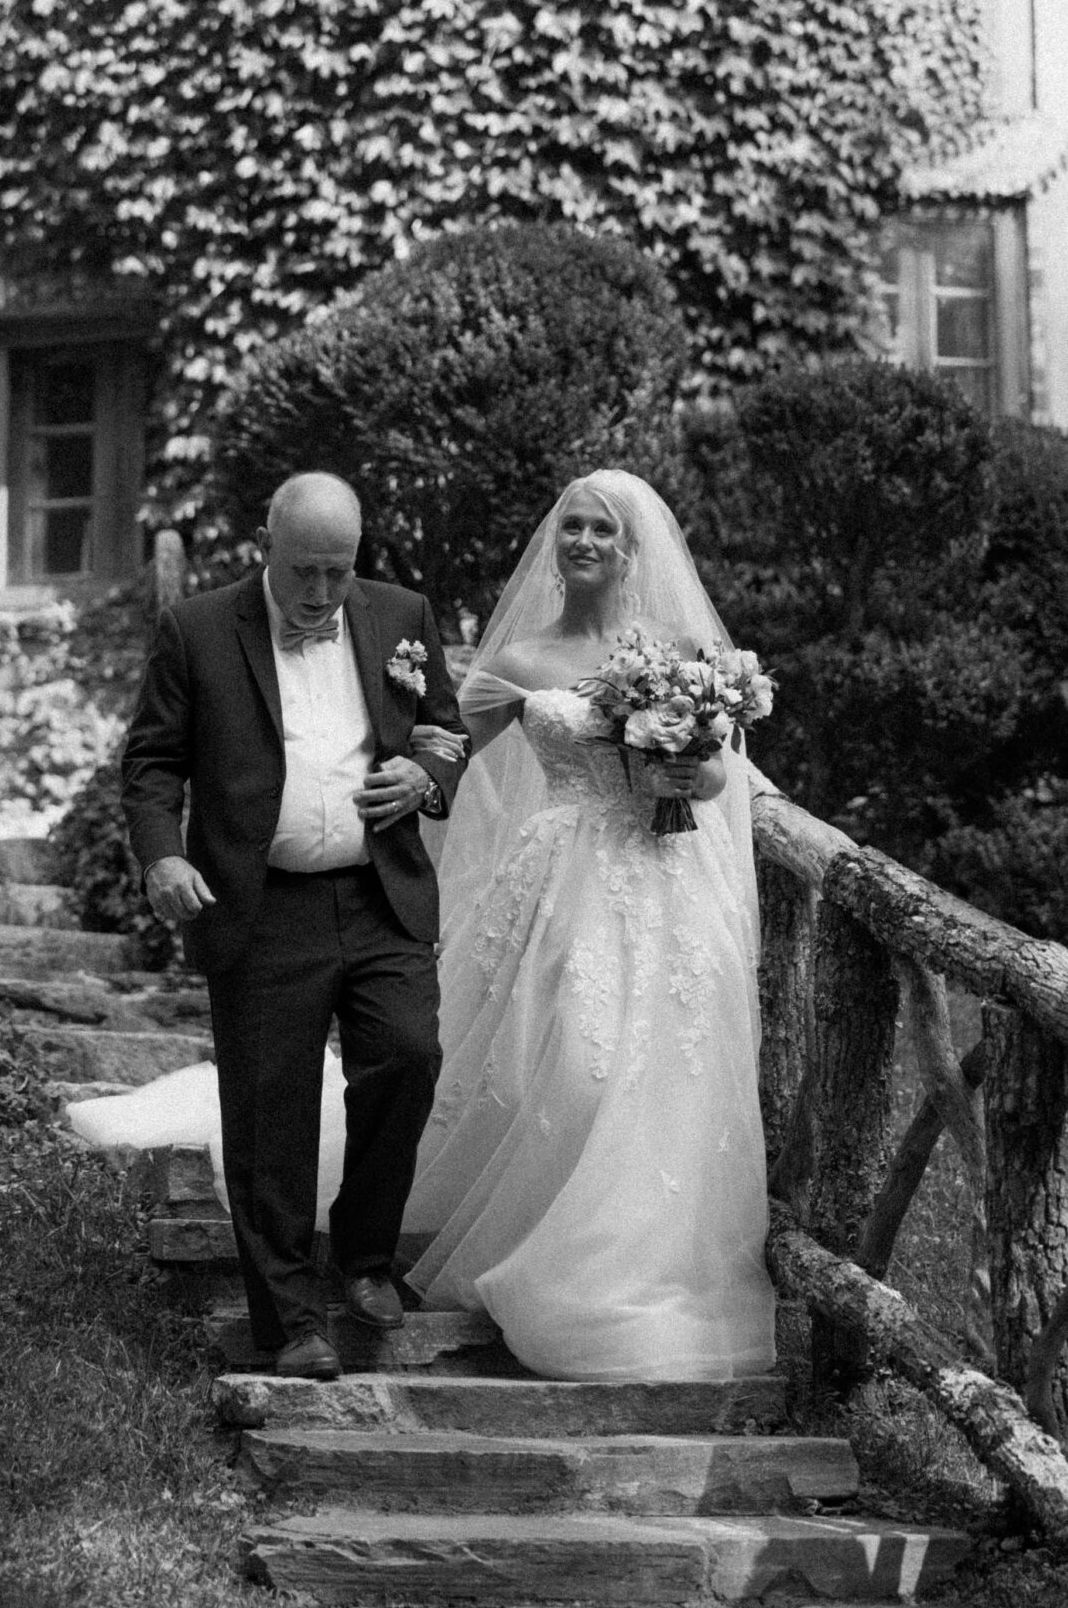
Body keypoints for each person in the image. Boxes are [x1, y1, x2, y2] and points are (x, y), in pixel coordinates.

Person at [400, 469, 776, 1383]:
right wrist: (408, 757)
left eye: (603, 530)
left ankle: (628, 1256)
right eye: (572, 527)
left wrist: (696, 775)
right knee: (569, 1061)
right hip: (563, 876)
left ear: (633, 549)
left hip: (667, 881)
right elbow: (449, 751)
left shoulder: (682, 650)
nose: (584, 543)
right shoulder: (522, 663)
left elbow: (723, 774)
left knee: (666, 1071)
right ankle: (528, 1230)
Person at [116, 472, 467, 1381]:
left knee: (409, 1054)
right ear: (265, 545)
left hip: (380, 891)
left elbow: (445, 731)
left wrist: (426, 778)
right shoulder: (197, 629)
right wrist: (163, 856)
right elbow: (152, 762)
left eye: (337, 573)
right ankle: (290, 1321)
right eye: (303, 570)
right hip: (263, 904)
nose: (320, 593)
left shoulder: (401, 614)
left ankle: (361, 1253)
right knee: (271, 1113)